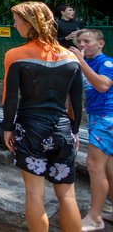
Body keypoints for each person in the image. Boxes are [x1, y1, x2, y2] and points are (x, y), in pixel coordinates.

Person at [3, 1, 83, 232]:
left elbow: (10, 98)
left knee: (35, 193)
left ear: (30, 24)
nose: (15, 24)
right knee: (67, 195)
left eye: (17, 21)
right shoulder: (70, 57)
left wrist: (7, 128)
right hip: (62, 130)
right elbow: (76, 102)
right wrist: (75, 130)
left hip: (31, 131)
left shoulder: (16, 55)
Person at [69, 29, 113, 231]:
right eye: (79, 42)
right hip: (98, 117)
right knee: (109, 169)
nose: (82, 45)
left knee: (94, 166)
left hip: (107, 118)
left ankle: (95, 217)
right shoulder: (88, 64)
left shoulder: (106, 63)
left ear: (101, 43)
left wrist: (81, 62)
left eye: (87, 41)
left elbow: (103, 85)